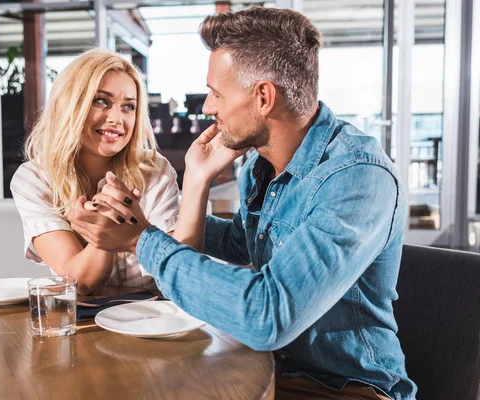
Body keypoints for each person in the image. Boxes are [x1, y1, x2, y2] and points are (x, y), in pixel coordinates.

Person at [72, 7, 417, 400]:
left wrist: (142, 240)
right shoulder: (259, 166)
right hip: (265, 373)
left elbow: (266, 315)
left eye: (216, 93)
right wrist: (162, 206)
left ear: (264, 97)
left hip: (344, 389)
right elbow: (242, 242)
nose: (207, 107)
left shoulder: (357, 178)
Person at [10, 49, 180, 294]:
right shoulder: (34, 179)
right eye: (101, 101)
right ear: (70, 104)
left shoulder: (154, 169)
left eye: (128, 107)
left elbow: (176, 267)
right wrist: (108, 226)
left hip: (153, 319)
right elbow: (82, 283)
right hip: (84, 326)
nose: (116, 118)